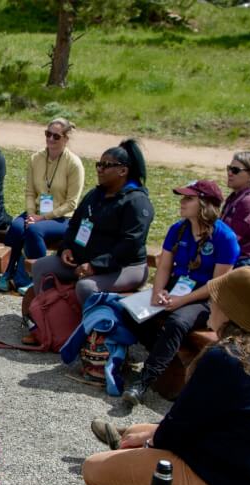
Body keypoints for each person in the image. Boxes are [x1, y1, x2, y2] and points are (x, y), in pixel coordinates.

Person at [82, 267, 250, 485]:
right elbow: (196, 420)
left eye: (217, 297)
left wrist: (149, 444)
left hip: (224, 484)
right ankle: (136, 468)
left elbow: (179, 425)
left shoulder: (227, 358)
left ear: (233, 311)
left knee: (94, 468)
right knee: (135, 432)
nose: (210, 301)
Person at [122, 180, 238, 406]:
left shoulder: (225, 238)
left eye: (189, 198)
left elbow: (217, 285)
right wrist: (158, 292)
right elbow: (164, 267)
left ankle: (144, 380)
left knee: (176, 321)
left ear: (205, 204)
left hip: (205, 299)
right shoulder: (178, 229)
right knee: (128, 310)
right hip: (175, 290)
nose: (182, 202)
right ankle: (167, 356)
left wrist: (182, 300)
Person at [26, 139, 152, 345]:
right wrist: (66, 248)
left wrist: (95, 266)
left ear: (123, 171)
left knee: (86, 288)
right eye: (99, 164)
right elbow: (74, 225)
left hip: (125, 267)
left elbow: (130, 244)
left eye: (106, 165)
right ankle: (48, 322)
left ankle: (90, 338)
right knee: (42, 266)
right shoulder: (95, 195)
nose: (100, 169)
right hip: (84, 261)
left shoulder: (136, 202)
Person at [0, 118, 85, 293]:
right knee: (15, 227)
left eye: (56, 136)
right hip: (36, 212)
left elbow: (72, 203)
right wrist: (31, 215)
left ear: (66, 139)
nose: (51, 139)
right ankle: (8, 271)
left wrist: (42, 218)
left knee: (34, 230)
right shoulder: (35, 158)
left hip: (62, 217)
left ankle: (34, 276)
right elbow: (30, 192)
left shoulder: (74, 164)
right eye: (48, 134)